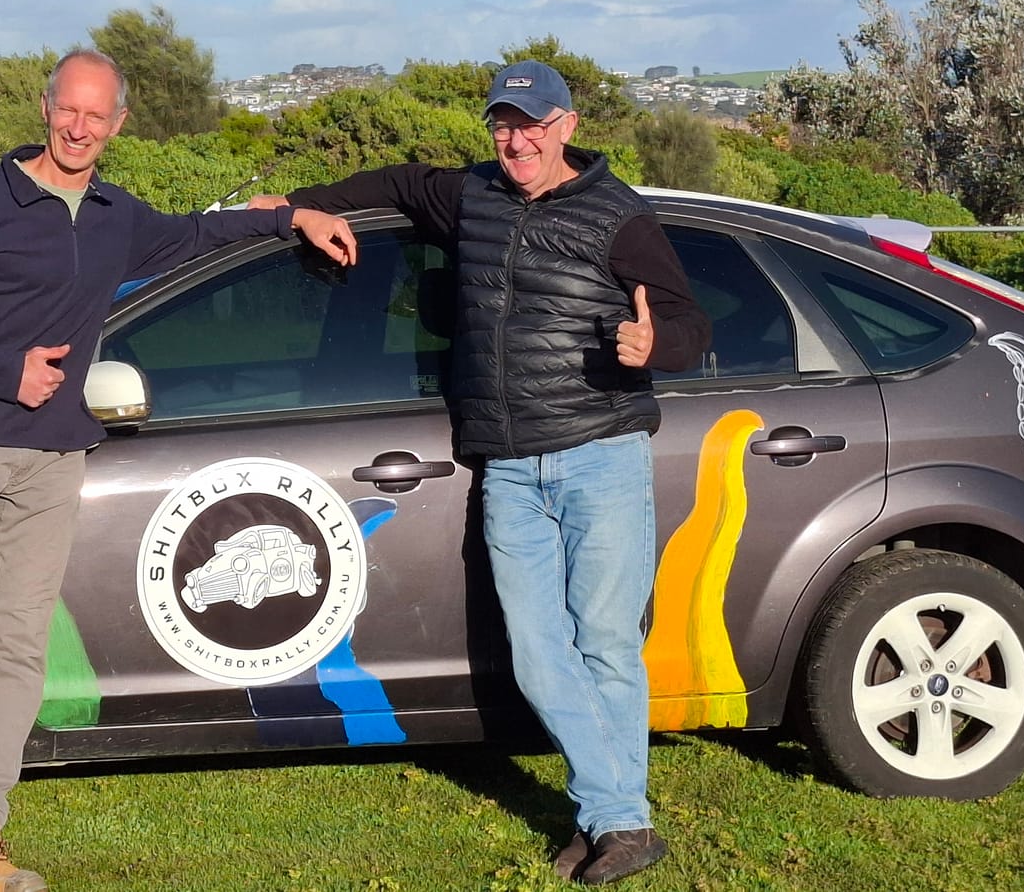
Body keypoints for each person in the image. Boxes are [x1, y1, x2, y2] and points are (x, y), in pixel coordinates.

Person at [0, 48, 357, 892]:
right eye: (69, 109)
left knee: (18, 648)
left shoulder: (113, 213)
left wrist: (294, 218)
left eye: (98, 116)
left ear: (119, 124)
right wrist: (3, 368)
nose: (80, 127)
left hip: (53, 454)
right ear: (45, 106)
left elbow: (199, 233)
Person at [252, 59, 707, 886]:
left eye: (532, 124)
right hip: (508, 468)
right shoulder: (470, 196)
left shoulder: (619, 216)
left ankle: (614, 819)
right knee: (538, 656)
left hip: (600, 454)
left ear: (565, 125)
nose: (516, 139)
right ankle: (617, 816)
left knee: (605, 643)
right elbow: (391, 180)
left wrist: (657, 348)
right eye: (503, 123)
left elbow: (685, 322)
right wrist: (298, 206)